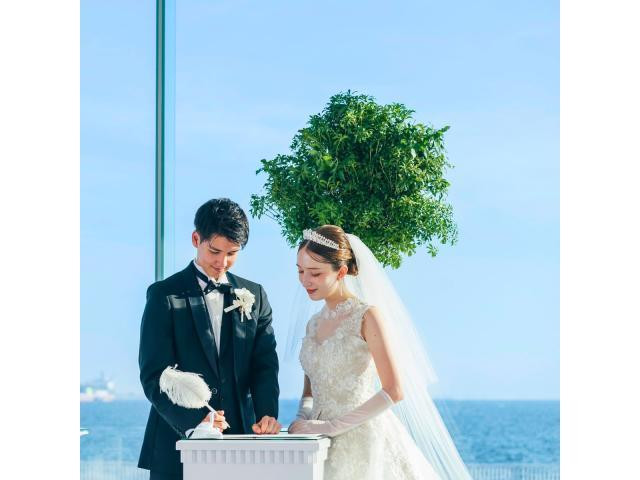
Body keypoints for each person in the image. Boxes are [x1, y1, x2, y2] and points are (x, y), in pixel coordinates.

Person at [288, 225, 472, 480]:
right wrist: (299, 422)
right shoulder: (313, 325)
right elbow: (310, 392)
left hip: (363, 441)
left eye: (315, 273)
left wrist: (331, 426)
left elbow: (394, 390)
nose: (305, 280)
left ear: (341, 272)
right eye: (300, 271)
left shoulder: (366, 316)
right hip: (318, 444)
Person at [138, 198, 280, 480]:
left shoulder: (255, 295)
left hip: (242, 441)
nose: (222, 262)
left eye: (232, 253)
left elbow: (264, 365)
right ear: (196, 239)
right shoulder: (164, 295)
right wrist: (196, 421)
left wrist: (267, 415)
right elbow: (154, 374)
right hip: (177, 442)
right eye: (214, 251)